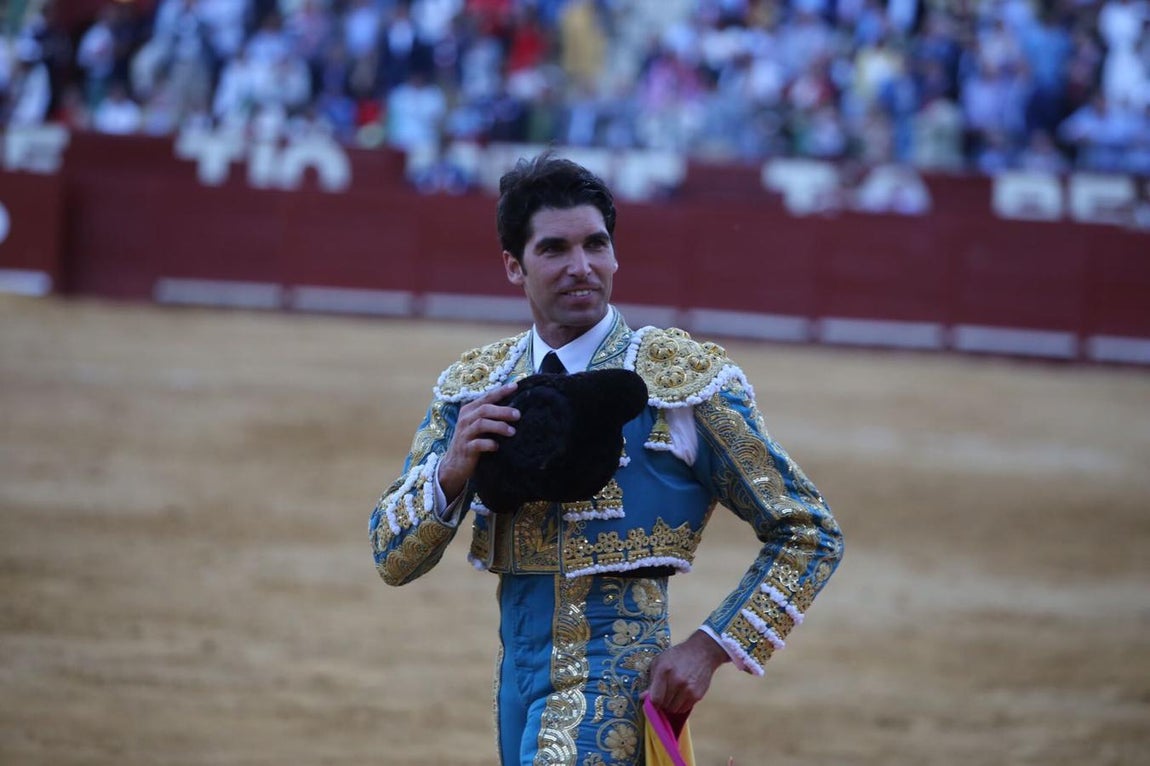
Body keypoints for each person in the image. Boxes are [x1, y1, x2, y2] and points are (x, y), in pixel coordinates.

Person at [369, 153, 844, 765]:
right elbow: (391, 557)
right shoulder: (477, 388)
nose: (582, 267)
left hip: (615, 687)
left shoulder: (679, 385)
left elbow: (808, 531)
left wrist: (709, 647)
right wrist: (452, 469)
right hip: (514, 686)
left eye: (596, 244)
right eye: (554, 249)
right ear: (514, 265)